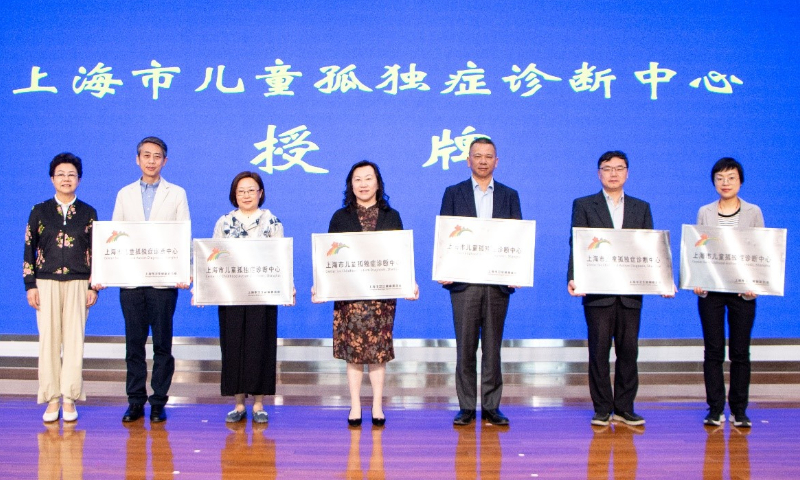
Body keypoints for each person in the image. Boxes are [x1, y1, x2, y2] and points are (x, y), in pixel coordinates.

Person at [313, 160, 418, 427]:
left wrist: (409, 283)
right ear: (351, 185)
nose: (363, 184)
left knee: (378, 353)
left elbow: (400, 256)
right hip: (350, 297)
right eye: (357, 179)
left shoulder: (391, 216)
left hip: (381, 298)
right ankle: (355, 405)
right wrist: (321, 285)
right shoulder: (340, 217)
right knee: (354, 353)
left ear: (378, 183)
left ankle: (378, 405)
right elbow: (329, 258)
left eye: (368, 178)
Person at [567, 150, 662, 427]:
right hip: (598, 292)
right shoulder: (584, 204)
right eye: (607, 168)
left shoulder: (641, 207)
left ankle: (624, 407)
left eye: (619, 168)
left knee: (628, 351)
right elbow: (577, 243)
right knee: (598, 352)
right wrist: (573, 277)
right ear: (599, 173)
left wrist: (660, 280)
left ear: (627, 173)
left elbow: (649, 249)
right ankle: (601, 408)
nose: (613, 173)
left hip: (630, 293)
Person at [107, 136, 190, 423]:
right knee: (134, 344)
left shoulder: (176, 193)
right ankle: (135, 401)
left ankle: (158, 402)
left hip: (163, 282)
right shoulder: (124, 194)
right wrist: (109, 270)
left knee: (162, 345)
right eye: (146, 155)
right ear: (137, 159)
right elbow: (114, 235)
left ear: (165, 161)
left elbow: (183, 235)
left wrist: (183, 271)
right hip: (131, 280)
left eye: (157, 156)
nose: (151, 161)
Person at [439, 137, 522, 426]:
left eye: (488, 156)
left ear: (496, 161)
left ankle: (491, 406)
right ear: (468, 161)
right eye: (478, 155)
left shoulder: (510, 195)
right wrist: (445, 268)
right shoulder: (453, 193)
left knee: (492, 347)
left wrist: (516, 271)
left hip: (497, 283)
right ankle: (465, 406)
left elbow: (517, 238)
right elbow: (446, 235)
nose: (483, 161)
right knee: (465, 347)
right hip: (464, 284)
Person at [24, 153, 98, 422]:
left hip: (79, 283)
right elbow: (29, 248)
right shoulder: (39, 211)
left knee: (75, 341)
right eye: (61, 175)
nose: (66, 179)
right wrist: (30, 285)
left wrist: (93, 286)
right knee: (49, 342)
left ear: (79, 179)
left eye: (71, 175)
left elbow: (97, 252)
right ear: (52, 179)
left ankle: (69, 398)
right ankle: (51, 398)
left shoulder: (88, 213)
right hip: (46, 283)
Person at [212, 171, 287, 424]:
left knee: (260, 346)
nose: (246, 195)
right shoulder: (224, 222)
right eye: (241, 191)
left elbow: (281, 259)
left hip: (262, 296)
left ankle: (259, 404)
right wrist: (202, 288)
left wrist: (287, 287)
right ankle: (238, 404)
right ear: (234, 194)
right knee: (233, 346)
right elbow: (213, 257)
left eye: (251, 190)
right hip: (231, 295)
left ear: (260, 193)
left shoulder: (272, 222)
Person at [694, 158, 763, 428]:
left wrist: (756, 282)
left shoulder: (753, 212)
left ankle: (739, 410)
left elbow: (760, 250)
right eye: (720, 178)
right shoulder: (705, 212)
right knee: (713, 351)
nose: (725, 183)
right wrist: (697, 279)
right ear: (714, 182)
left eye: (731, 177)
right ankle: (715, 409)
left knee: (740, 352)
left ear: (740, 181)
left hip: (742, 291)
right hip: (711, 291)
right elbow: (699, 251)